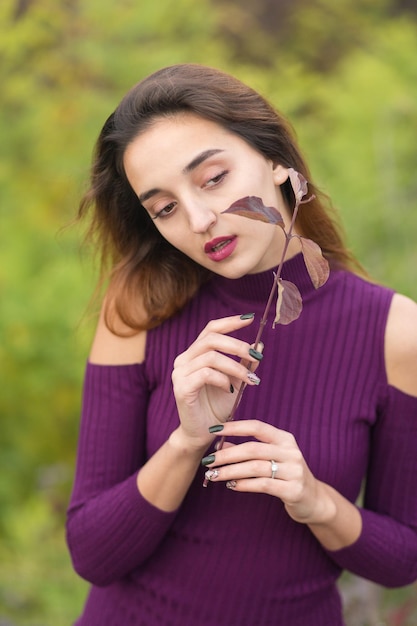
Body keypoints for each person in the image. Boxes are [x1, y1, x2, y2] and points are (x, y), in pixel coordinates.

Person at [66, 64, 417, 626]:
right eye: (165, 208)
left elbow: (403, 558)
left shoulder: (396, 332)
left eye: (212, 178)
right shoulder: (137, 311)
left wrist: (317, 501)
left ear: (276, 158)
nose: (201, 220)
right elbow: (93, 552)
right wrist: (186, 443)